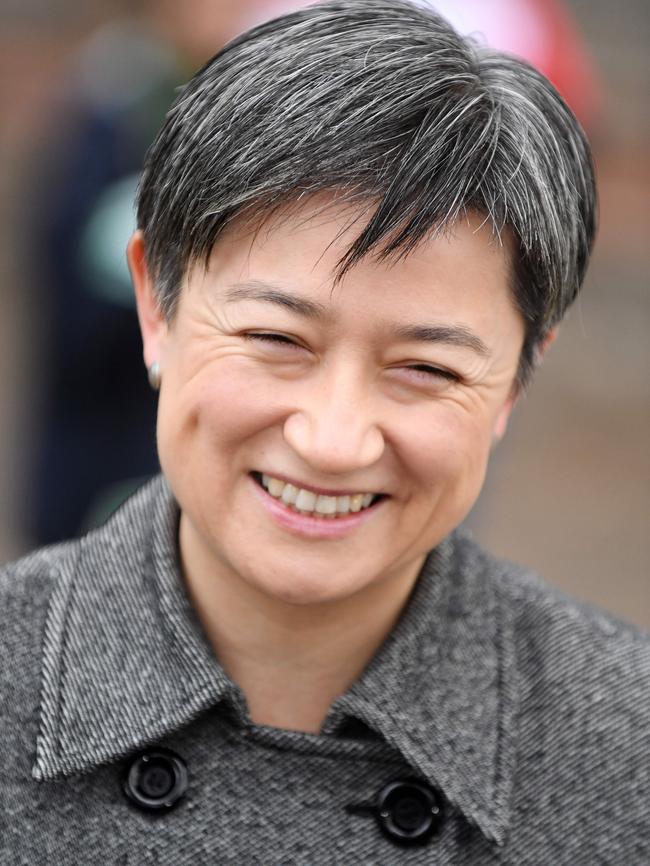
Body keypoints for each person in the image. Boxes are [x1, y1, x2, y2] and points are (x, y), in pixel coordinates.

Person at [1, 1, 647, 863]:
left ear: (517, 379)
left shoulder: (624, 748)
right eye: (277, 341)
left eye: (427, 368)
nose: (333, 440)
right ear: (157, 305)